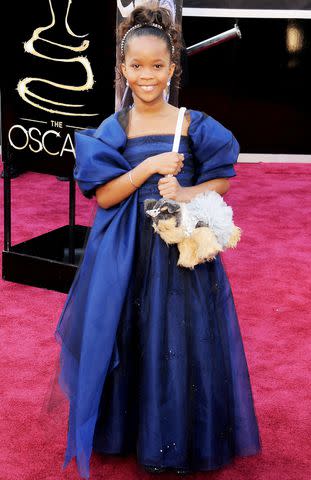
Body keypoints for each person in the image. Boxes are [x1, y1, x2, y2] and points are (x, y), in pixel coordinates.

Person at [54, 3, 262, 479]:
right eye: (135, 66)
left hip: (182, 249)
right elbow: (106, 196)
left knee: (179, 337)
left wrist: (186, 190)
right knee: (127, 332)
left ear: (173, 67)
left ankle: (177, 435)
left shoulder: (193, 124)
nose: (146, 77)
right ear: (121, 69)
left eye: (157, 66)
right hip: (127, 253)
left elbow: (223, 179)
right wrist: (146, 168)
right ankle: (127, 431)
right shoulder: (115, 128)